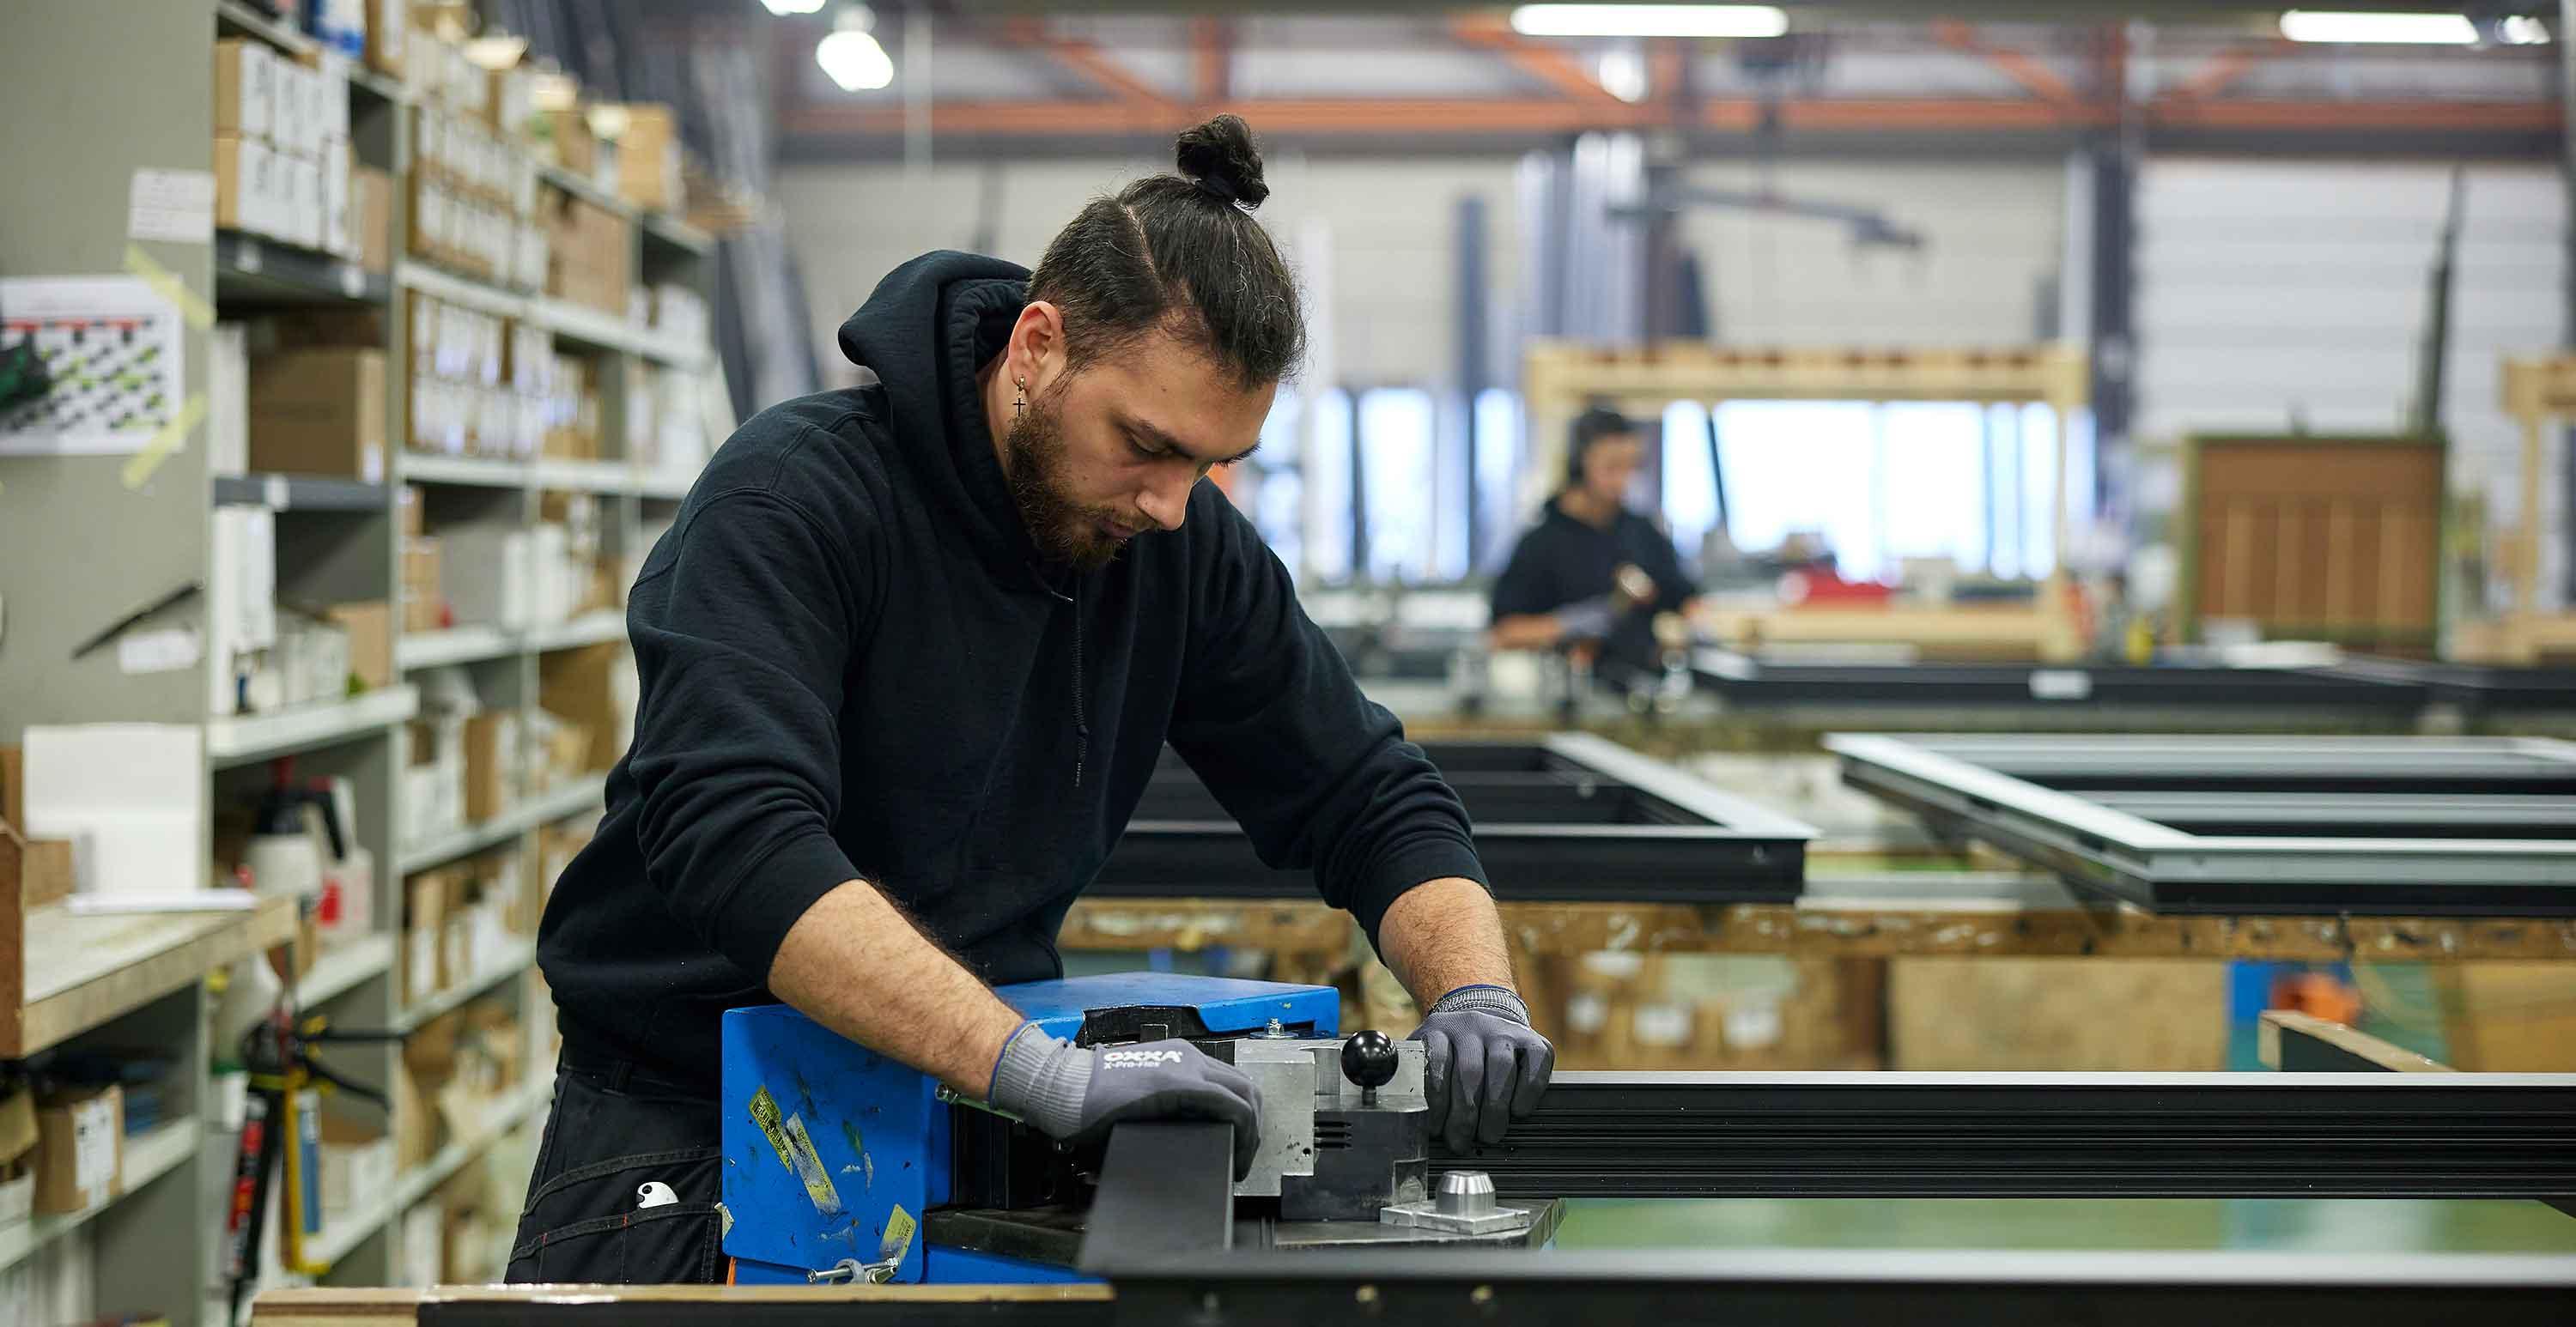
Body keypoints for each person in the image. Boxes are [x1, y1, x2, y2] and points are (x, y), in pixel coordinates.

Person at [507, 116, 1554, 1284]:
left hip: (980, 1107)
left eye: (1208, 464)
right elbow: (741, 844)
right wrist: (1041, 1071)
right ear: (1037, 346)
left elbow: (1366, 793)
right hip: (696, 1127)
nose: (1171, 503)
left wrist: (1475, 989)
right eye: (1145, 443)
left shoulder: (1178, 547)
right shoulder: (792, 501)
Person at [1486, 407, 1698, 690]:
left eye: (1631, 467)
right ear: (1581, 462)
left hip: (1642, 688)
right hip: (1566, 693)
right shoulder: (1541, 543)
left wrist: (1685, 629)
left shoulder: (1642, 533)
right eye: (1611, 467)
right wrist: (1566, 625)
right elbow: (1503, 633)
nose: (1623, 480)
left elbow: (1688, 602)